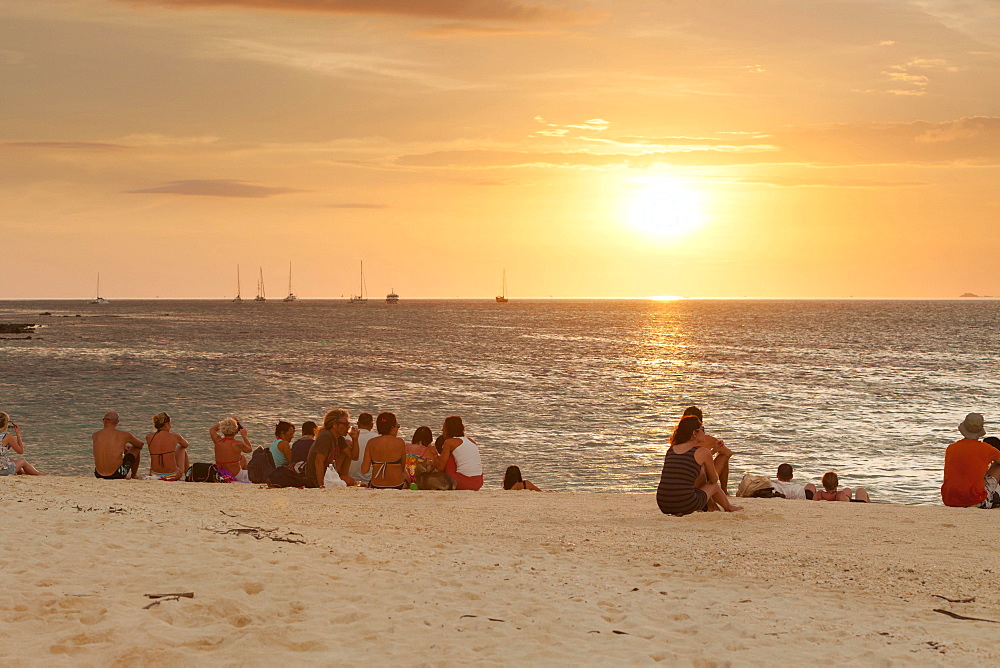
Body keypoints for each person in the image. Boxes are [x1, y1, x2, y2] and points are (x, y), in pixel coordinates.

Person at [656, 415, 742, 515]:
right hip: (685, 505)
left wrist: (714, 450)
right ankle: (729, 507)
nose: (704, 432)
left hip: (664, 504)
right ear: (694, 433)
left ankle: (713, 506)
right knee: (713, 485)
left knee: (700, 475)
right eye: (702, 429)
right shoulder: (703, 452)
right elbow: (714, 480)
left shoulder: (671, 450)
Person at [942, 412, 1000, 508]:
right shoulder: (987, 448)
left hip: (949, 500)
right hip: (975, 502)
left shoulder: (951, 448)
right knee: (998, 465)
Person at [682, 406, 733, 494]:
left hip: (685, 480)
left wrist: (713, 452)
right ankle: (724, 491)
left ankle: (723, 490)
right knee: (723, 456)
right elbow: (728, 453)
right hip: (701, 479)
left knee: (723, 455)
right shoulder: (707, 440)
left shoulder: (677, 441)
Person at [305, 409, 357, 488]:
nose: (348, 427)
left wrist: (355, 439)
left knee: (352, 482)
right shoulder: (325, 437)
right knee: (350, 482)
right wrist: (321, 485)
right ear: (335, 425)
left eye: (348, 424)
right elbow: (319, 462)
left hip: (329, 475)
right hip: (316, 479)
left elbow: (354, 456)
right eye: (345, 424)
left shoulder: (338, 438)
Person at [436, 415, 484, 491]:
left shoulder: (449, 442)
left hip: (462, 482)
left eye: (444, 428)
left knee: (450, 457)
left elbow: (440, 468)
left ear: (448, 430)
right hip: (478, 482)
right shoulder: (471, 441)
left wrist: (434, 456)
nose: (442, 430)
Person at [362, 412, 407, 489]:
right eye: (397, 426)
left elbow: (364, 470)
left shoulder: (371, 442)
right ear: (392, 427)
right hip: (397, 485)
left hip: (376, 485)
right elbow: (402, 467)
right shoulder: (400, 442)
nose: (398, 429)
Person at [92, 411, 143, 479]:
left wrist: (122, 446)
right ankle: (134, 475)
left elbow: (106, 445)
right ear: (117, 422)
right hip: (117, 474)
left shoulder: (95, 435)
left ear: (105, 421)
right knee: (135, 448)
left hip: (98, 474)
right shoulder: (124, 435)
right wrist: (125, 446)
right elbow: (140, 445)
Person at [145, 412, 190, 481]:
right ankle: (188, 476)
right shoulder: (175, 436)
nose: (171, 426)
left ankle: (159, 475)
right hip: (172, 475)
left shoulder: (149, 437)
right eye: (170, 423)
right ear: (166, 425)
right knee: (182, 448)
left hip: (154, 474)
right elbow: (186, 444)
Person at [348, 412, 376, 486]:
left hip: (349, 479)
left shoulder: (347, 437)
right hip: (369, 479)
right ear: (372, 425)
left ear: (357, 423)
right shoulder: (377, 438)